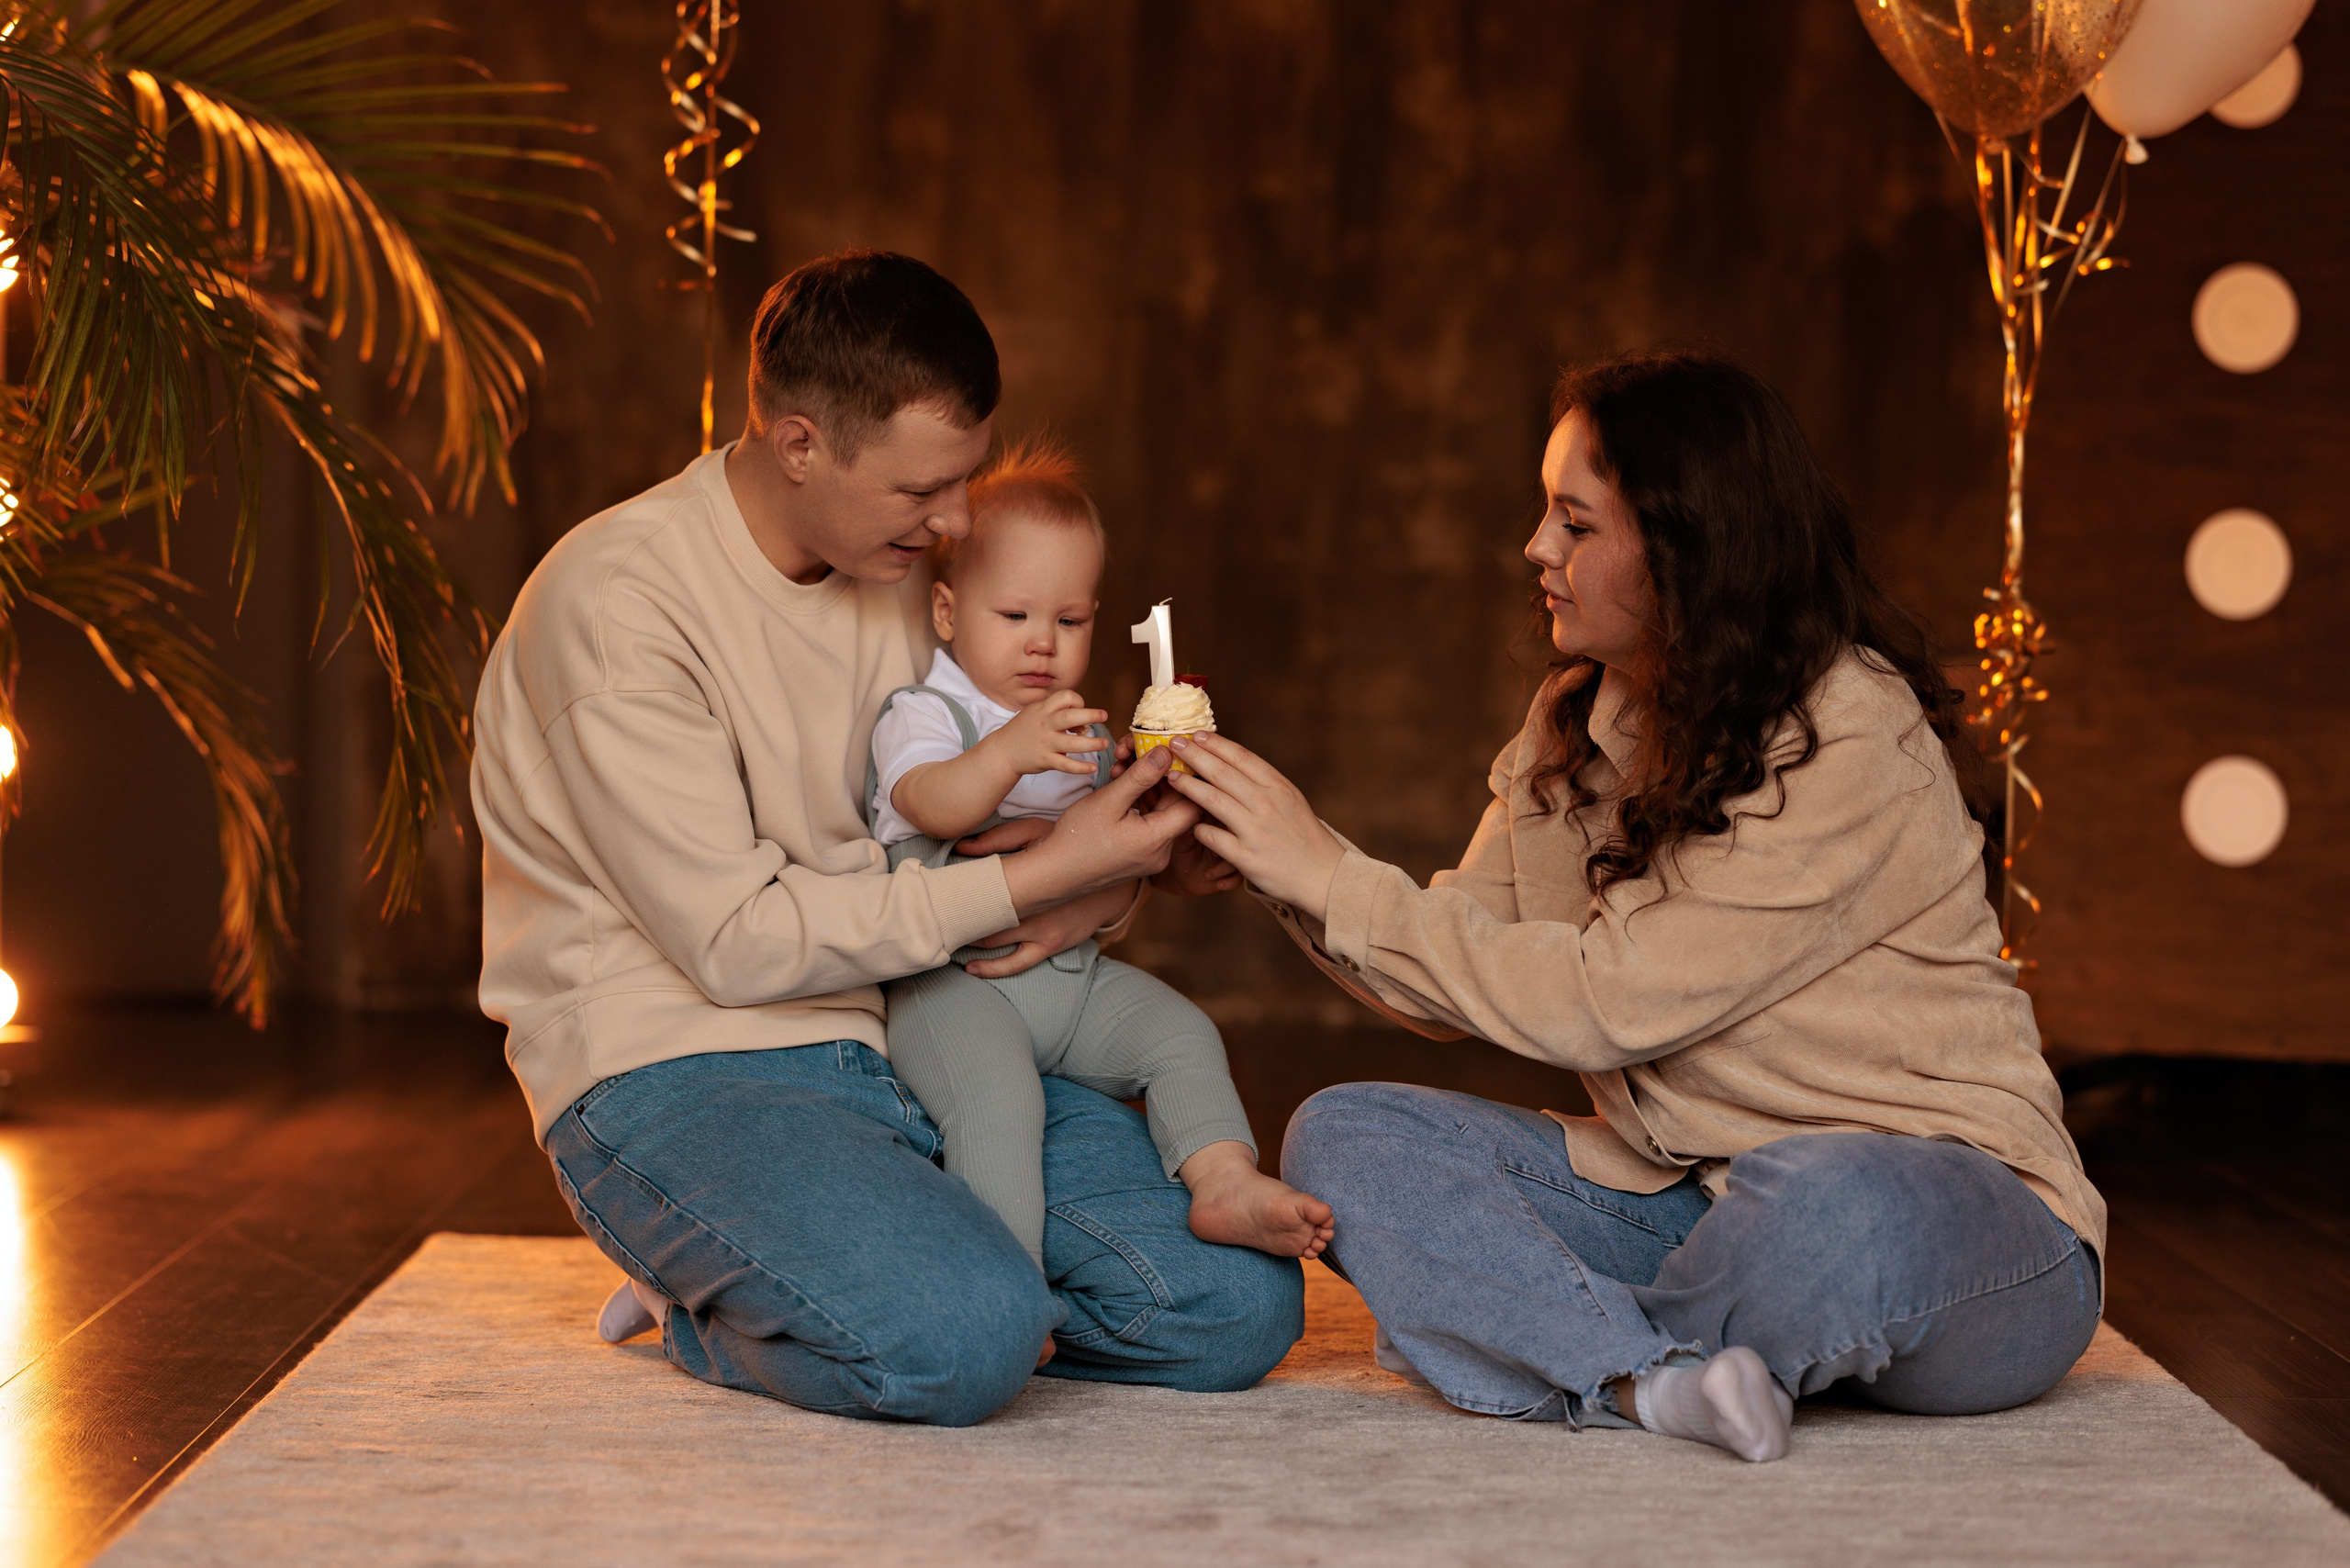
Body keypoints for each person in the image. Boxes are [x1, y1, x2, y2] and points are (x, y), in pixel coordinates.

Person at [1161, 352, 2106, 1463]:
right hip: (1692, 1199)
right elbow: (1453, 971)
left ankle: (1546, 1335)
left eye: (1574, 523)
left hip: (1948, 1225)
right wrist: (1274, 867)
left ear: (1682, 545)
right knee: (1348, 1136)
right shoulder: (1572, 719)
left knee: (1821, 1199)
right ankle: (1649, 1378)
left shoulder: (1850, 725)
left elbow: (1605, 1003)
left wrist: (1323, 867)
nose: (1535, 548)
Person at [470, 250, 1304, 1428]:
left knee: (1231, 1306)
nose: (958, 521)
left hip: (909, 1025)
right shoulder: (619, 610)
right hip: (678, 1069)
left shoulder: (905, 568)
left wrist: (1124, 873)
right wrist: (1046, 877)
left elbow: (1006, 831)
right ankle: (711, 1299)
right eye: (925, 489)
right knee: (966, 1339)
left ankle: (848, 1277)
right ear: (799, 444)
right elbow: (738, 947)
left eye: (964, 481)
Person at [869, 442, 1335, 1271]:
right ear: (947, 611)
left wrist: (1175, 857)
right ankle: (1007, 1286)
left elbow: (1112, 867)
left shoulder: (1082, 735)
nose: (1041, 645)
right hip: (954, 989)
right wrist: (1007, 752)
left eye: (1070, 621)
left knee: (1182, 1035)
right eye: (1014, 616)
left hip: (1073, 983)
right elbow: (926, 803)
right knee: (998, 1101)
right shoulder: (929, 713)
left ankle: (1224, 1180)